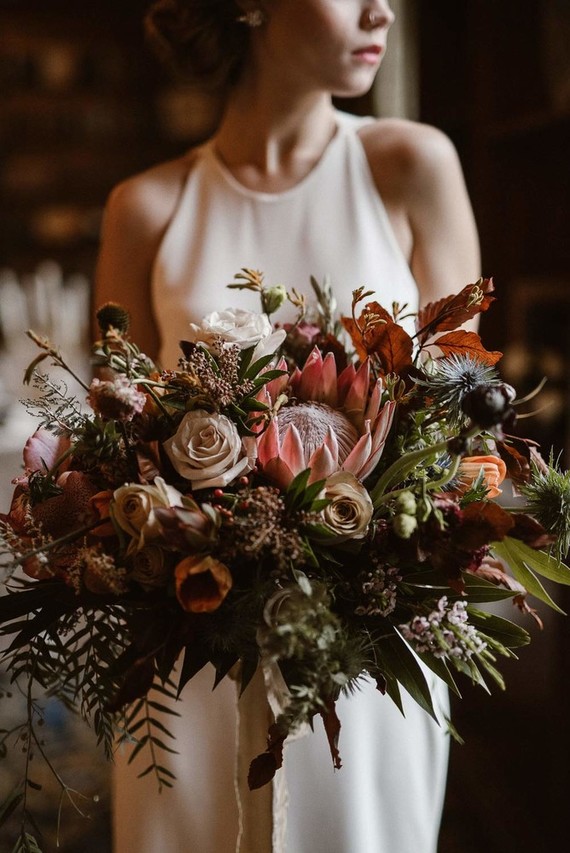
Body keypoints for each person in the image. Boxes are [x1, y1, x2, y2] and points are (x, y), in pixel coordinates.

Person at [94, 2, 480, 851]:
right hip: (190, 651)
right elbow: (106, 452)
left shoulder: (412, 166)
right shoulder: (145, 209)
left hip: (364, 665)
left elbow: (467, 432)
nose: (381, 8)